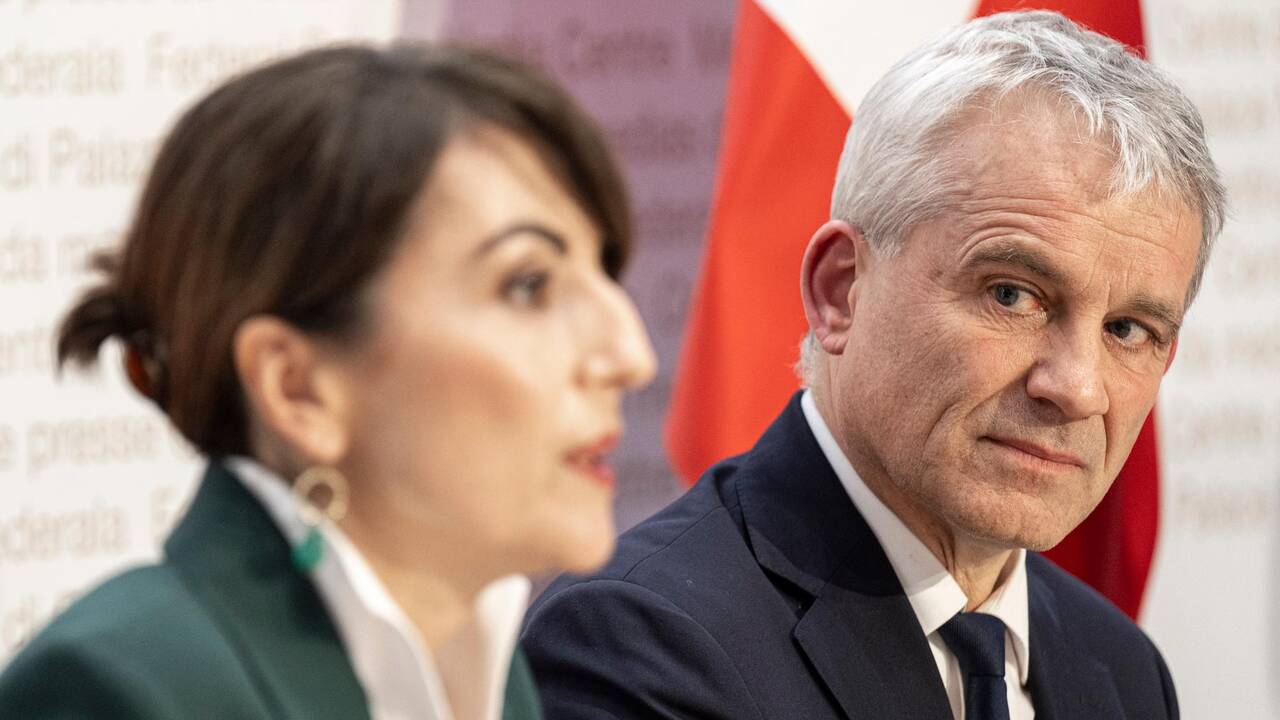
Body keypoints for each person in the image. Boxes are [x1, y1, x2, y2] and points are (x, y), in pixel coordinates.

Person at [521, 10, 1223, 720]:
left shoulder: (1123, 671)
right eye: (1012, 294)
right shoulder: (639, 644)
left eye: (1129, 330)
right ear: (841, 291)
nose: (1076, 386)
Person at [0, 44, 655, 720]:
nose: (631, 356)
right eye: (528, 286)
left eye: (603, 271)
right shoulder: (120, 691)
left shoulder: (486, 669)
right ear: (298, 389)